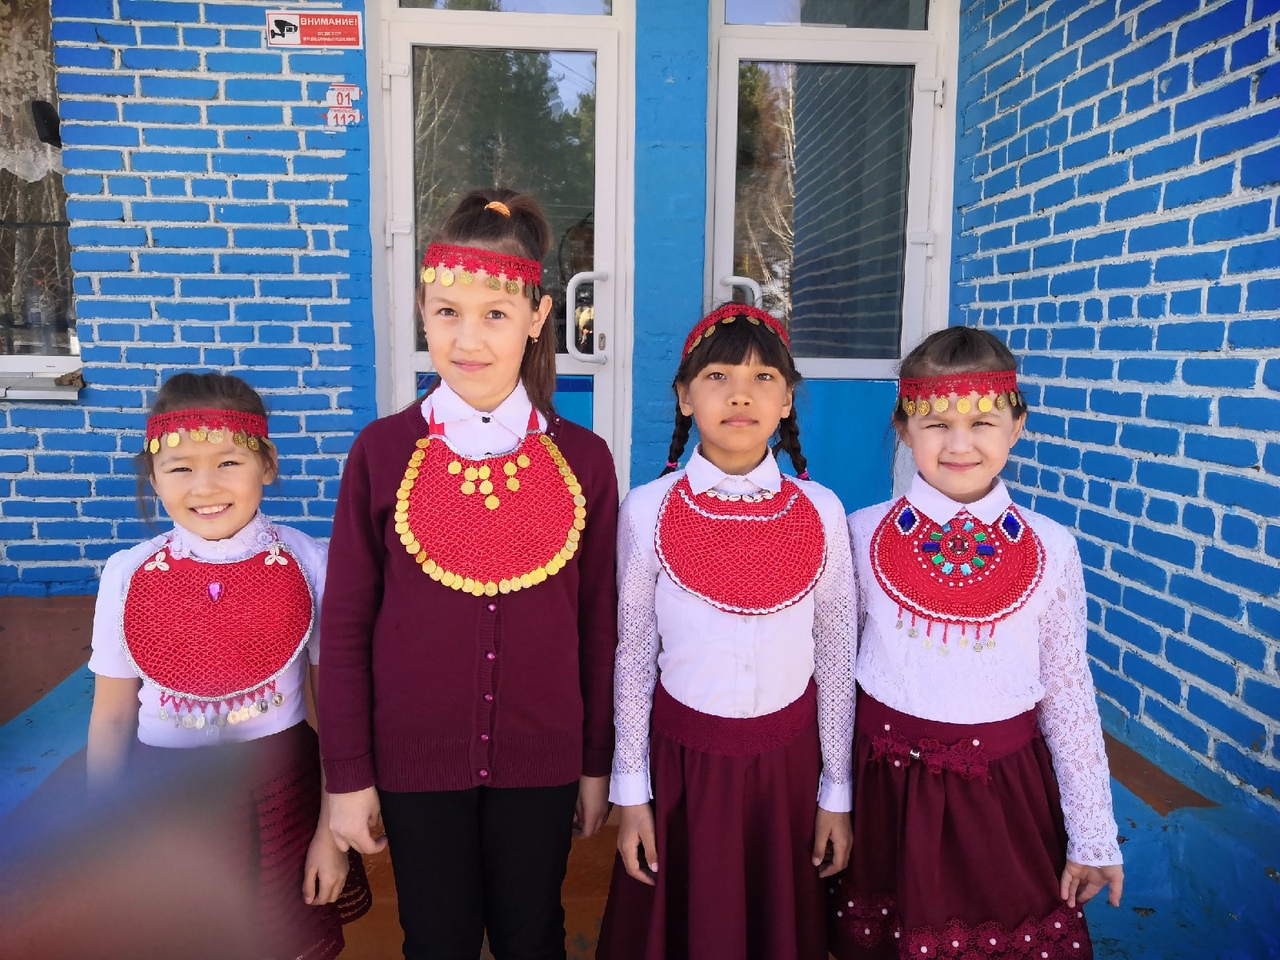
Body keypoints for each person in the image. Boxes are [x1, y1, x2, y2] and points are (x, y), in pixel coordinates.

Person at [318, 189, 619, 960]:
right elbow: (346, 628)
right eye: (447, 311)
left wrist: (595, 762)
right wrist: (345, 776)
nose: (468, 337)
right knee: (436, 938)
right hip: (414, 761)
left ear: (538, 317)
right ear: (422, 312)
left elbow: (598, 625)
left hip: (542, 761)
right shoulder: (381, 453)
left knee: (532, 935)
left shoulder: (584, 460)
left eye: (495, 313)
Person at [828, 326, 1124, 960]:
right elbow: (834, 680)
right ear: (903, 428)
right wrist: (832, 794)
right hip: (886, 792)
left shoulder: (1052, 547)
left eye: (983, 422)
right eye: (935, 424)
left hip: (1004, 797)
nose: (959, 444)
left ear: (1017, 427)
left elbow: (1069, 695)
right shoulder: (858, 535)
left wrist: (1093, 833)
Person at [596, 304, 857, 960]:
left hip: (787, 773)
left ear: (787, 399)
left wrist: (836, 791)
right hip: (683, 771)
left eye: (764, 377)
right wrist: (632, 793)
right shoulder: (648, 509)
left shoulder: (822, 511)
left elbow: (835, 654)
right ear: (684, 396)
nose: (741, 394)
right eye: (717, 376)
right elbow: (632, 656)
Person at [86, 371, 370, 960]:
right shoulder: (127, 574)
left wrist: (330, 833)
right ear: (153, 477)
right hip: (163, 800)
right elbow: (111, 719)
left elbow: (335, 712)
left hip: (282, 792)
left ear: (267, 464)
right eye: (180, 468)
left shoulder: (311, 563)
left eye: (228, 463)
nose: (205, 486)